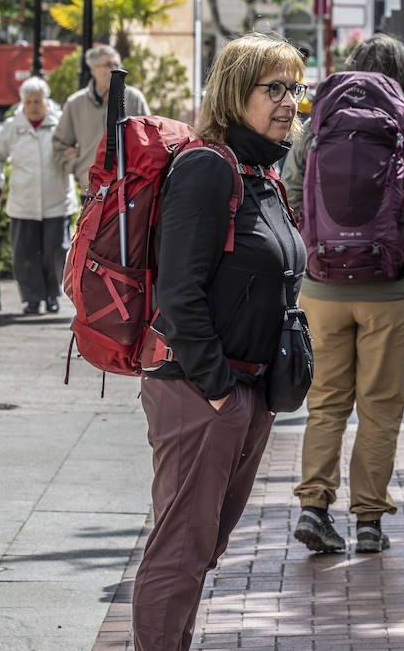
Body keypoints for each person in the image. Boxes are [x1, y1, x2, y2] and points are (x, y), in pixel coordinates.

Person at [131, 34, 307, 650]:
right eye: (275, 89)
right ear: (236, 94)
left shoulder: (260, 172)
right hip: (199, 390)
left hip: (245, 390)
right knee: (180, 550)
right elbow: (179, 291)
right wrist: (217, 391)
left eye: (295, 88)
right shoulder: (209, 168)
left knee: (202, 548)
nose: (290, 102)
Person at [285, 33, 404, 554]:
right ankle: (370, 523)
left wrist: (310, 264)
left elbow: (288, 197)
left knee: (326, 405)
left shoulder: (315, 130)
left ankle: (314, 508)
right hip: (391, 291)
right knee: (379, 410)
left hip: (322, 289)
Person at [0, 78, 78, 314]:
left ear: (46, 101)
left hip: (57, 201)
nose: (33, 106)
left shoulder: (61, 125)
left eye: (37, 101)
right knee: (25, 254)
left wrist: (73, 155)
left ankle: (53, 295)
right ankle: (32, 298)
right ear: (22, 103)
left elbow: (79, 151)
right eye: (28, 101)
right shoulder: (12, 127)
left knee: (56, 252)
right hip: (23, 203)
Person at [53, 44, 149, 195]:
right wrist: (79, 168)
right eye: (108, 65)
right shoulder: (75, 103)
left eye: (117, 64)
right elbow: (58, 145)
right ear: (93, 69)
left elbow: (149, 141)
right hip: (91, 190)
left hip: (128, 189)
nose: (114, 69)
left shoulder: (134, 98)